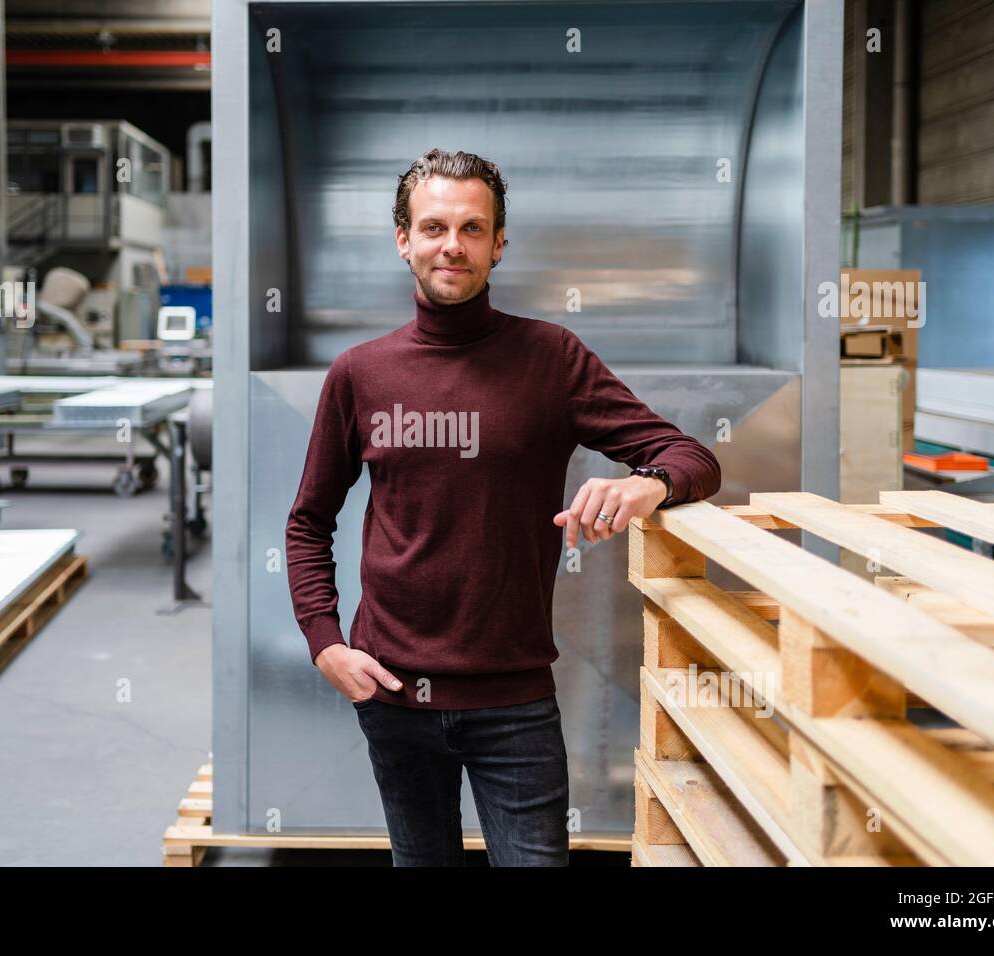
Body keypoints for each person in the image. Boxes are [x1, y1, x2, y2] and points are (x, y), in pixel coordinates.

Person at [285, 147, 722, 866]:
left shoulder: (552, 360)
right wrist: (324, 639)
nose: (451, 244)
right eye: (432, 228)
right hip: (392, 694)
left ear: (498, 244)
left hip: (512, 703)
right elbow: (309, 520)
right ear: (403, 240)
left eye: (471, 228)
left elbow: (692, 458)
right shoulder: (359, 375)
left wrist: (648, 484)